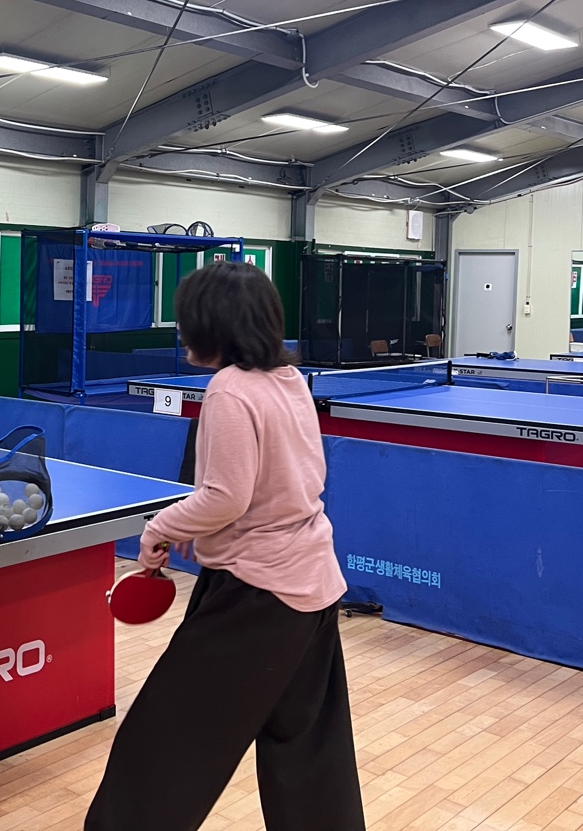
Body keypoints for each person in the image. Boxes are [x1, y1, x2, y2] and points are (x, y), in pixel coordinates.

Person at [85, 260, 365, 831]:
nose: (183, 329)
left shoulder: (230, 390)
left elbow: (226, 497)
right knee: (309, 753)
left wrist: (162, 528)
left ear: (216, 323)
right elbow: (277, 485)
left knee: (161, 744)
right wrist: (205, 527)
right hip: (313, 588)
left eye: (189, 317)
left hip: (256, 596)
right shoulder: (291, 380)